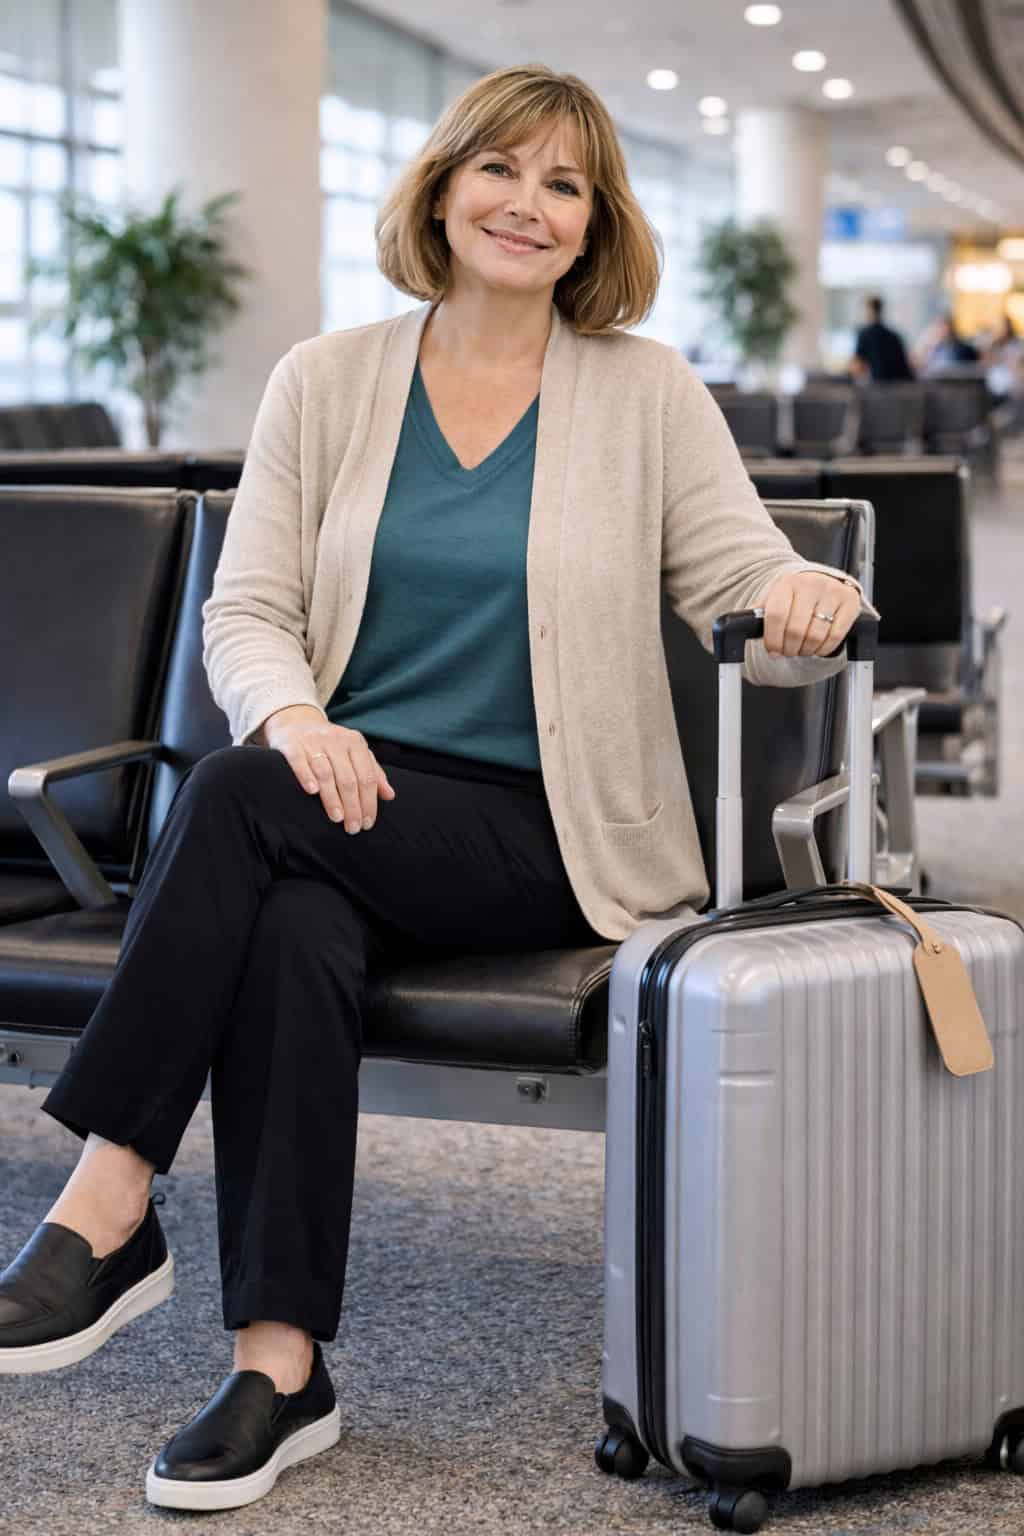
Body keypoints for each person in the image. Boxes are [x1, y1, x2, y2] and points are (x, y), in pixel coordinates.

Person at [0, 64, 873, 1511]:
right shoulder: (327, 381)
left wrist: (807, 590)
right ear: (443, 187)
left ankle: (108, 1201)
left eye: (565, 185)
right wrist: (292, 712)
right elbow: (250, 612)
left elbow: (738, 564)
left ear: (596, 227)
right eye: (501, 171)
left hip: (548, 830)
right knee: (288, 922)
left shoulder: (642, 392)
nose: (527, 206)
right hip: (347, 813)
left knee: (230, 799)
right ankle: (279, 1370)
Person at [850, 295, 915, 382]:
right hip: (897, 385)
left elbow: (857, 366)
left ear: (869, 310)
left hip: (878, 386)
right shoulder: (894, 336)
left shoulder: (865, 335)